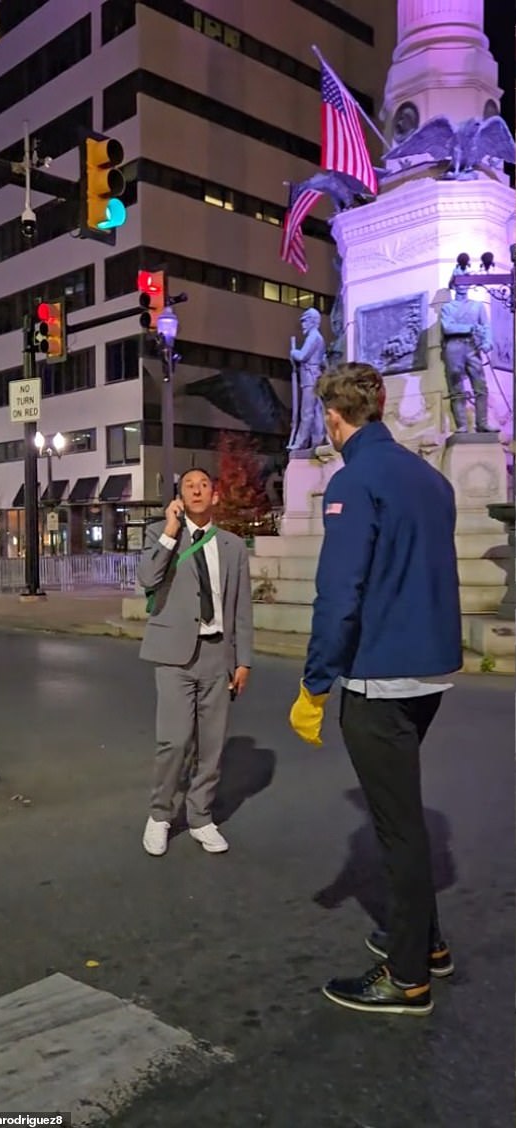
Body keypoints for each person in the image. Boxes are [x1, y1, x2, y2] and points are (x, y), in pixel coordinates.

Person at [289, 362, 462, 1017]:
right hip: (427, 672)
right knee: (405, 819)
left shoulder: (355, 479)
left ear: (334, 417)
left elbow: (340, 594)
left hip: (378, 675)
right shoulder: (430, 478)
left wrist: (314, 684)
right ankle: (429, 943)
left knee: (397, 828)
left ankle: (409, 975)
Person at [137, 467, 253, 857]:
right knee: (173, 740)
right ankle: (159, 815)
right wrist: (170, 531)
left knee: (212, 744)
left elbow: (241, 608)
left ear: (215, 496)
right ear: (180, 497)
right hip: (173, 655)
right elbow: (147, 578)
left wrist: (243, 659)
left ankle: (201, 816)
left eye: (204, 484)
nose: (197, 490)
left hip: (217, 653)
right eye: (189, 486)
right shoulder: (160, 534)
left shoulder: (233, 547)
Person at [440, 269, 496, 434]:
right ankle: (462, 425)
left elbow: (486, 326)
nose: (462, 285)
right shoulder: (447, 308)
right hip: (454, 347)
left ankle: (482, 423)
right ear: (453, 284)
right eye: (458, 281)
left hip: (472, 347)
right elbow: (448, 328)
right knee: (456, 387)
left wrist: (487, 342)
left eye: (465, 281)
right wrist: (470, 327)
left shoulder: (477, 306)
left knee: (481, 386)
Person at [287, 308, 327, 452]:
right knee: (316, 412)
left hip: (310, 378)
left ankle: (301, 442)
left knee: (307, 411)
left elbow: (303, 356)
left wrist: (293, 352)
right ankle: (318, 439)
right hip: (313, 377)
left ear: (312, 321)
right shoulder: (318, 337)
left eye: (305, 321)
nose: (303, 324)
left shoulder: (314, 337)